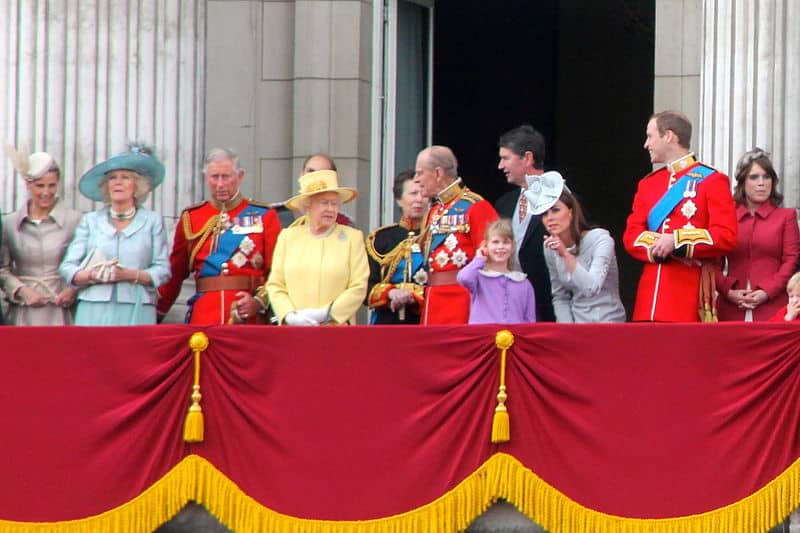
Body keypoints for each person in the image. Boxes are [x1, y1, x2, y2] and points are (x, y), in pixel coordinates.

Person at [623, 111, 737, 322]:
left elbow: (726, 235)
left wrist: (676, 241)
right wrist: (664, 247)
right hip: (649, 301)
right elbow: (631, 236)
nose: (646, 144)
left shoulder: (712, 180)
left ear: (668, 136)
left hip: (687, 298)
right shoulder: (648, 184)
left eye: (650, 136)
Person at [157, 148, 281, 324]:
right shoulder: (192, 217)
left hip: (249, 317)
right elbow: (174, 274)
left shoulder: (264, 216)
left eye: (226, 176)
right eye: (215, 177)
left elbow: (277, 272)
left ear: (240, 176)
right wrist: (155, 313)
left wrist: (258, 302)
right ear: (207, 178)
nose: (220, 184)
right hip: (204, 315)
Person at [59, 145, 170, 325]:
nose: (117, 182)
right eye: (112, 178)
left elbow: (163, 270)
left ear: (137, 186)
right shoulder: (90, 221)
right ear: (106, 186)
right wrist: (91, 275)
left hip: (137, 306)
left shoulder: (152, 221)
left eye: (125, 177)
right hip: (93, 308)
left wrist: (129, 275)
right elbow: (68, 267)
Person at [266, 169, 368, 325]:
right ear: (308, 206)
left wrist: (326, 313)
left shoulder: (352, 238)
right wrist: (290, 316)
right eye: (324, 203)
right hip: (295, 331)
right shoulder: (288, 237)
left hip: (336, 329)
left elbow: (359, 286)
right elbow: (275, 284)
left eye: (334, 204)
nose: (331, 209)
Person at [415, 145, 499, 325]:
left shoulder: (476, 206)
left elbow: (493, 262)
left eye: (420, 173)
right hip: (432, 301)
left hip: (462, 303)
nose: (416, 180)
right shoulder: (435, 210)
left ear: (438, 173)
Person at [715, 148, 800, 321]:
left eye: (766, 176)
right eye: (754, 177)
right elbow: (712, 262)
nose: (761, 183)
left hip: (774, 307)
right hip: (730, 307)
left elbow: (791, 261)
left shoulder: (786, 216)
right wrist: (728, 291)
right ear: (742, 182)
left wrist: (767, 292)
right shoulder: (727, 216)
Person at [0, 147, 82, 325]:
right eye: (40, 186)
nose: (46, 192)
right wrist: (22, 290)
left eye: (52, 185)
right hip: (24, 312)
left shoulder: (75, 220)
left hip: (61, 310)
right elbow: (2, 270)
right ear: (28, 185)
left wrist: (72, 290)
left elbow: (85, 264)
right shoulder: (9, 223)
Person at [534, 176, 626, 323]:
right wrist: (568, 331)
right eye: (544, 214)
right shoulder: (550, 248)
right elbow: (560, 296)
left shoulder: (600, 239)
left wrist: (565, 254)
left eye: (555, 210)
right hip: (577, 325)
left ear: (571, 212)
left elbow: (591, 288)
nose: (549, 218)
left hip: (609, 321)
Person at [494, 124, 556, 322]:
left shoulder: (561, 200)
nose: (500, 166)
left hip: (547, 306)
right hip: (508, 306)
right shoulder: (503, 204)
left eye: (505, 158)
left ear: (527, 158)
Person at [365, 170, 427, 324]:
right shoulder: (380, 239)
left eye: (424, 194)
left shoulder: (438, 236)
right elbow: (364, 286)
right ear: (399, 200)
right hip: (387, 321)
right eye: (413, 194)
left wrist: (414, 294)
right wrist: (390, 293)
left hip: (426, 320)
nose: (419, 199)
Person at [457, 219, 535, 324]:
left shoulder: (523, 283)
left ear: (512, 247)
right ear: (485, 246)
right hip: (483, 337)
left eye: (506, 242)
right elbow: (463, 278)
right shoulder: (478, 278)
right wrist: (479, 259)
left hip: (514, 338)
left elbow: (529, 320)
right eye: (495, 242)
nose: (501, 247)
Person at [272, 153, 355, 228]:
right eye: (311, 171)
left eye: (322, 173)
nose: (314, 177)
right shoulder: (276, 215)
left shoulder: (343, 222)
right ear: (301, 175)